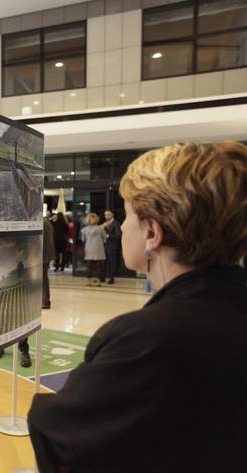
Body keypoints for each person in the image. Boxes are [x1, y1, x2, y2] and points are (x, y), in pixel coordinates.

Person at [27, 142, 247, 472]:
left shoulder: (145, 342)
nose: (124, 226)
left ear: (152, 232)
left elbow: (65, 438)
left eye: (128, 214)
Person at [80, 212, 106, 287]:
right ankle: (98, 282)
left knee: (89, 266)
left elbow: (83, 239)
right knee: (98, 266)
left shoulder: (84, 230)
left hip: (88, 249)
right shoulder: (100, 229)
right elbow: (104, 239)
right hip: (98, 249)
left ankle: (89, 281)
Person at [102, 209, 122, 284]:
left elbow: (118, 235)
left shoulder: (116, 223)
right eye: (105, 215)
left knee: (112, 263)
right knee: (104, 262)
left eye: (108, 215)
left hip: (113, 246)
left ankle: (111, 278)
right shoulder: (105, 224)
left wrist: (108, 235)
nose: (106, 216)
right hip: (105, 246)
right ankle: (102, 277)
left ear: (112, 215)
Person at [42, 215, 54, 309]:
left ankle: (45, 301)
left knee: (43, 278)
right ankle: (45, 300)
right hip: (46, 254)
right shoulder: (47, 222)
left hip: (42, 255)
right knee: (44, 277)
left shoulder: (41, 223)